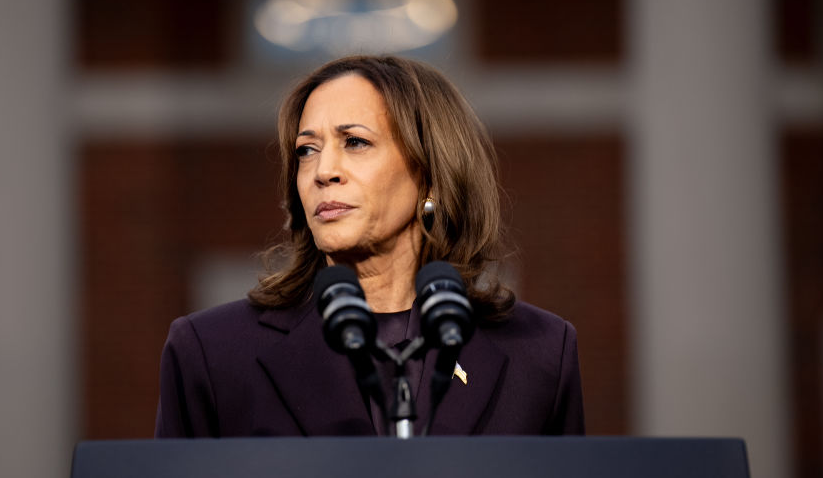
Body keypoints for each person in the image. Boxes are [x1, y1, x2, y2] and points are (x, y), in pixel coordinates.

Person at [155, 55, 584, 437]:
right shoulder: (212, 352)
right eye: (306, 150)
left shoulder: (541, 352)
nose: (323, 171)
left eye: (355, 142)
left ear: (430, 171)